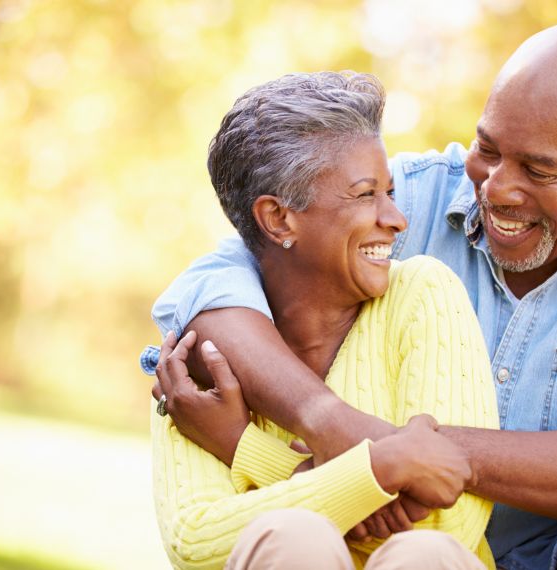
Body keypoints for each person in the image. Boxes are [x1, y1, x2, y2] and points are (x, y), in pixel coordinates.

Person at [149, 23, 557, 569]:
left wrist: (382, 456)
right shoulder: (407, 193)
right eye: (488, 148)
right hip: (390, 552)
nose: (497, 189)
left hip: (553, 555)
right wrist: (330, 422)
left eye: (539, 169)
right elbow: (215, 283)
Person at [143, 71, 500, 569]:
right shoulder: (200, 355)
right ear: (278, 219)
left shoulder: (423, 293)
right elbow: (196, 542)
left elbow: (449, 523)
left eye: (391, 193)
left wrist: (244, 448)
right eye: (364, 195)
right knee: (291, 539)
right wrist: (381, 469)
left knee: (423, 554)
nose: (397, 219)